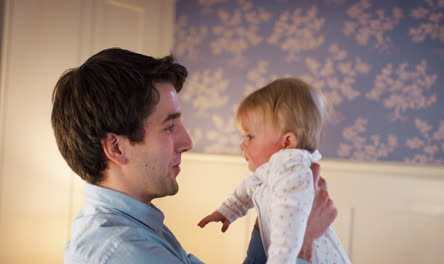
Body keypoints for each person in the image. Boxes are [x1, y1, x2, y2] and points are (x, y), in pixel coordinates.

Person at [51, 48, 337, 264]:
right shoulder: (125, 252)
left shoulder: (139, 229)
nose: (187, 142)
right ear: (116, 148)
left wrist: (274, 214)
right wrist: (302, 244)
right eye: (170, 127)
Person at [198, 78, 351, 264]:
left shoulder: (292, 173)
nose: (242, 145)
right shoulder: (271, 172)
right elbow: (247, 187)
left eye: (250, 136)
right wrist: (228, 211)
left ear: (286, 142)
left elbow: (288, 232)